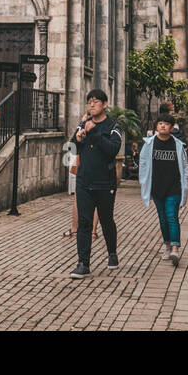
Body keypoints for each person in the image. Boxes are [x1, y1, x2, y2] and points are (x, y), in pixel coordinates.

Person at [69, 88, 122, 279]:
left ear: (104, 104)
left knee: (106, 220)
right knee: (84, 222)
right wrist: (77, 138)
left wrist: (96, 134)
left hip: (105, 183)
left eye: (95, 101)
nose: (91, 105)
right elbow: (72, 149)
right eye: (89, 102)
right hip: (84, 181)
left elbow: (113, 150)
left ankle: (112, 253)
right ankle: (83, 263)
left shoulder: (113, 126)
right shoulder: (82, 124)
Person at [139, 113, 188, 266]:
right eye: (160, 123)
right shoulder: (149, 144)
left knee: (172, 216)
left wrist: (184, 183)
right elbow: (143, 163)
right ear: (156, 126)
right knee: (162, 218)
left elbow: (185, 166)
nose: (162, 126)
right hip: (157, 188)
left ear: (171, 127)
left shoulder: (178, 145)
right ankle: (167, 246)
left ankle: (175, 248)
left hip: (174, 188)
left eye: (166, 124)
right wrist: (143, 182)